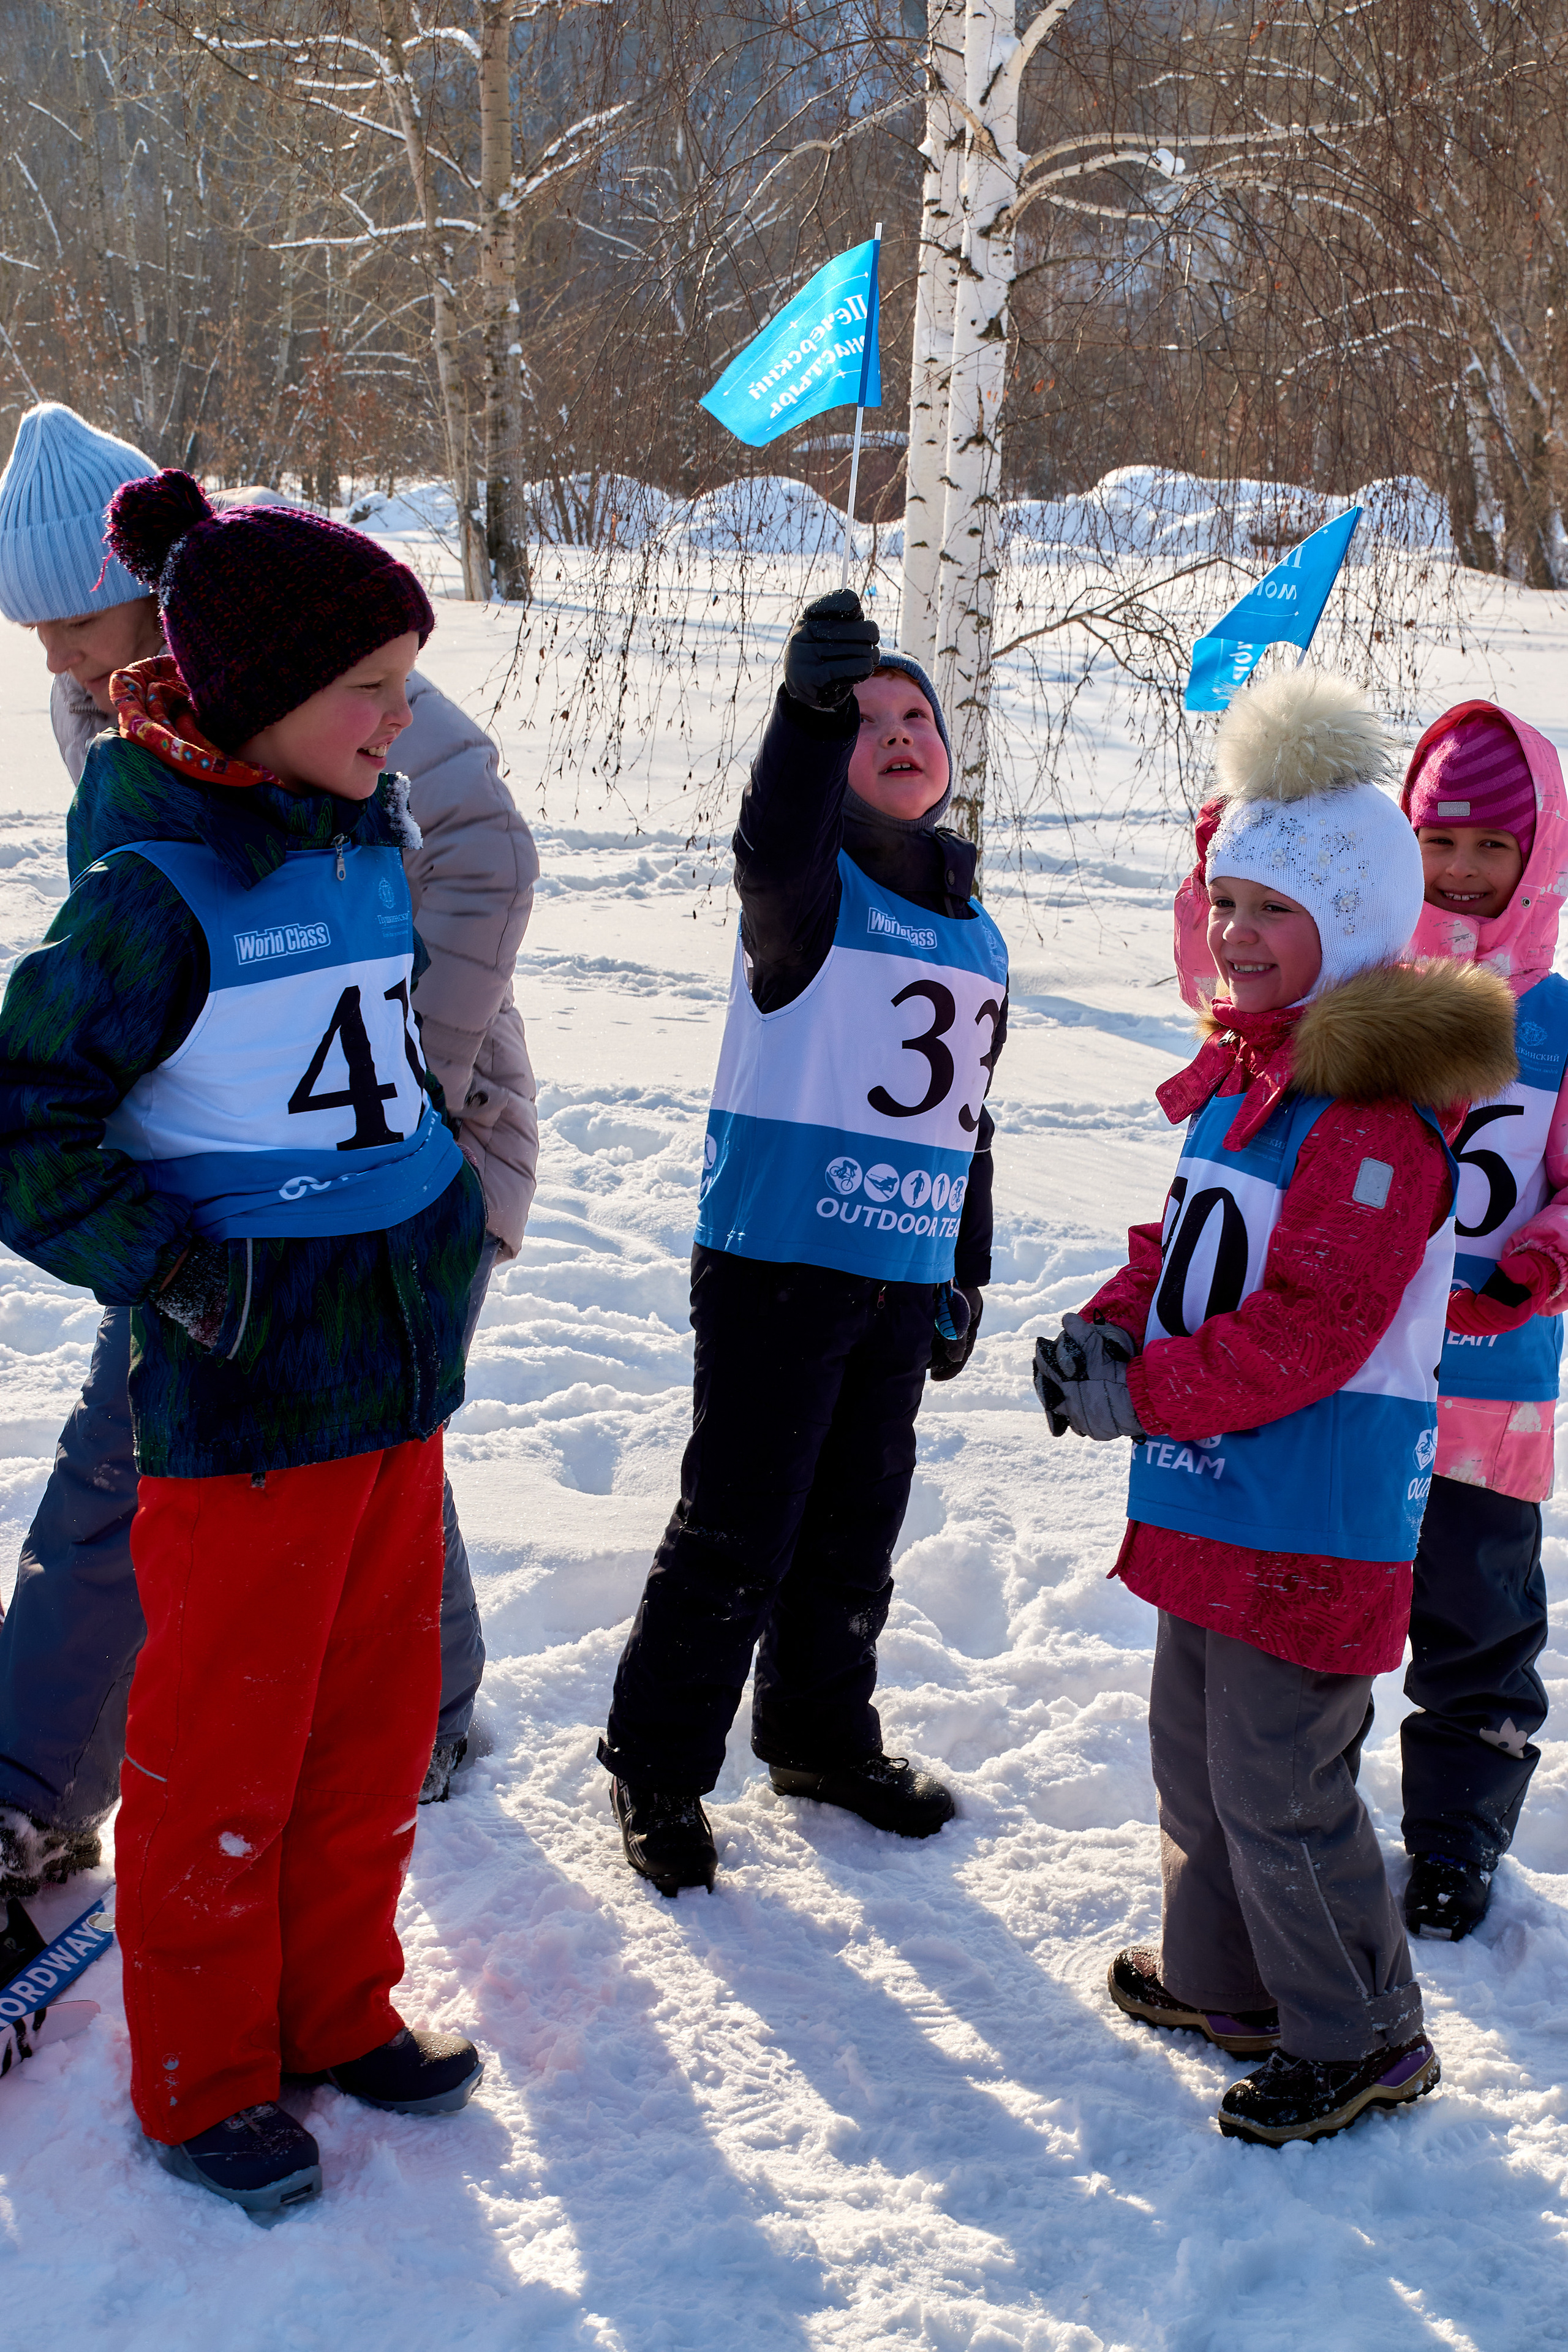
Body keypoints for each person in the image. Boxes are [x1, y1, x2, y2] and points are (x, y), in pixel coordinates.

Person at [0, 469, 491, 2214]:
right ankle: (202, 2076)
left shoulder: (358, 829)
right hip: (240, 1394)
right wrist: (175, 1272)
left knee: (370, 1717)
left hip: (391, 1370)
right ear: (263, 700)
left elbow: (378, 1063)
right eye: (371, 687)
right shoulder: (150, 889)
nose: (402, 716)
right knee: (229, 1737)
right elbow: (24, 1119)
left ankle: (336, 2006)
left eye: (405, 680)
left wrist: (433, 1225)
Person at [1034, 668, 1516, 2146]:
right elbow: (1179, 1253)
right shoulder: (1254, 1085)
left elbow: (1311, 1325)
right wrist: (1109, 1329)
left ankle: (1361, 2033)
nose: (1233, 935)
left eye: (1271, 911)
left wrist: (1150, 1388)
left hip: (1307, 1502)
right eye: (1223, 901)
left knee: (1278, 1778)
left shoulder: (1368, 1123)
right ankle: (1228, 1979)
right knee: (1193, 1750)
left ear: (1350, 929)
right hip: (1208, 1484)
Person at [597, 590, 1009, 1895]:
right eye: (863, 719)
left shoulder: (968, 920)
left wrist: (960, 1269)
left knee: (855, 1523)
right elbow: (769, 842)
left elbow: (967, 1117)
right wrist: (799, 712)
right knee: (740, 1524)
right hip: (779, 1259)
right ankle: (657, 1765)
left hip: (896, 1268)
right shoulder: (805, 897)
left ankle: (818, 1734)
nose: (893, 732)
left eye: (913, 717)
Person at [1393, 704, 1568, 1938]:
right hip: (1343, 1368)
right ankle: (1282, 1799)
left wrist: (1541, 1260)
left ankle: (1456, 1836)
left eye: (1490, 848)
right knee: (1320, 1586)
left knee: (1475, 1612)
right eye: (1436, 841)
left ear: (1538, 858)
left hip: (1491, 1379)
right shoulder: (1355, 986)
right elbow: (1224, 1020)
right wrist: (1217, 878)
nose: (1460, 870)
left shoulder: (1553, 1017)